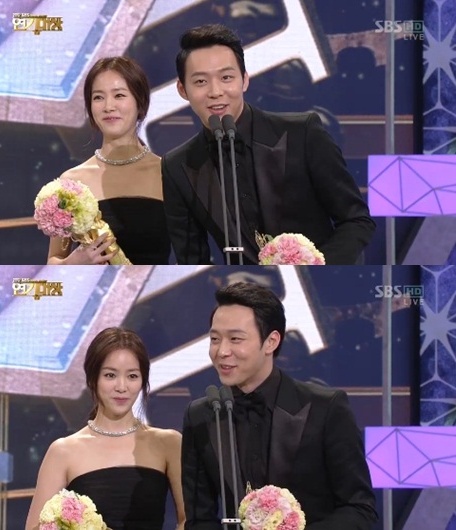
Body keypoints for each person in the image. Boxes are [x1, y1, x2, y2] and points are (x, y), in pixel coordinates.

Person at [161, 24, 376, 265]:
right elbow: (191, 259)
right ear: (182, 90)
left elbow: (356, 221)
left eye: (226, 78)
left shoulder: (302, 133)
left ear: (244, 80)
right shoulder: (177, 165)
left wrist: (316, 265)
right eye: (200, 81)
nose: (215, 91)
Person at [181, 282, 378, 530]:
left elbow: (359, 509)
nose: (221, 351)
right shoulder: (201, 415)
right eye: (214, 339)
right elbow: (199, 519)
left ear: (271, 342)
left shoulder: (325, 408)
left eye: (235, 339)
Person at [25, 327, 185, 530]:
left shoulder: (168, 443)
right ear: (93, 379)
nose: (122, 387)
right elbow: (36, 527)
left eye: (132, 376)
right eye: (110, 375)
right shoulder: (63, 451)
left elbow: (188, 519)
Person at [46, 56, 171, 265]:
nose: (108, 106)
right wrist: (73, 263)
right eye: (98, 97)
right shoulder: (72, 183)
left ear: (140, 102)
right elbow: (54, 260)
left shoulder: (167, 173)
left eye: (119, 95)